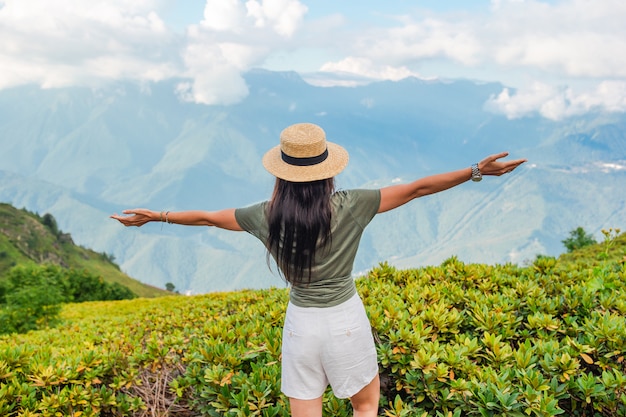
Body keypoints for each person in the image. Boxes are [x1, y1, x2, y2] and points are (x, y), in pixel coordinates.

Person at [111, 122, 526, 417]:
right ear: (328, 168)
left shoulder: (264, 215)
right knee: (365, 406)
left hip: (300, 326)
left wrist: (159, 215)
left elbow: (206, 217)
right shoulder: (353, 204)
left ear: (282, 172)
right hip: (346, 319)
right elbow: (418, 188)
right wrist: (476, 171)